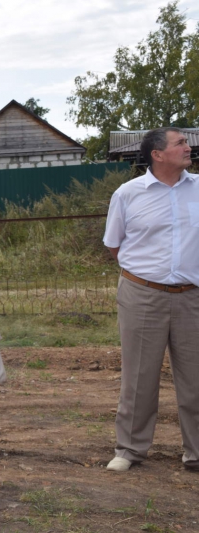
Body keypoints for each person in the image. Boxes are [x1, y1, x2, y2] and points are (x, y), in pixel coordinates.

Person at [103, 127, 199, 473]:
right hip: (141, 294)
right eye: (181, 143)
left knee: (195, 378)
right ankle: (129, 449)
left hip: (193, 297)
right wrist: (148, 275)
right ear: (157, 154)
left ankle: (196, 453)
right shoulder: (128, 194)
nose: (189, 147)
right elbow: (114, 245)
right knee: (139, 376)